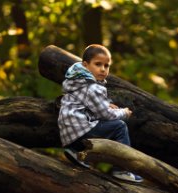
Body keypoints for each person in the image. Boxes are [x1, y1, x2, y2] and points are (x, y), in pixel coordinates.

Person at [58, 44, 143, 183]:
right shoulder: (93, 87)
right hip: (80, 130)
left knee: (103, 125)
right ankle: (121, 169)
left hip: (69, 131)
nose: (103, 69)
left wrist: (105, 104)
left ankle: (74, 151)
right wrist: (123, 112)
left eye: (106, 65)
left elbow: (87, 102)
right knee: (119, 127)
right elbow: (106, 115)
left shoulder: (77, 81)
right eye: (98, 64)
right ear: (85, 65)